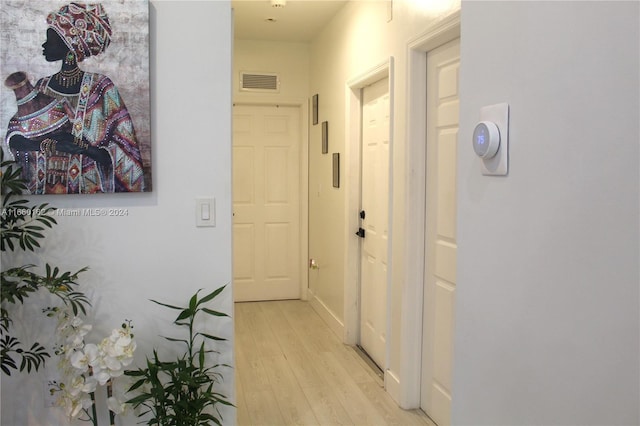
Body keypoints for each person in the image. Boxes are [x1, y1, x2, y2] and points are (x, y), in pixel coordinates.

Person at [5, 2, 145, 193]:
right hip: (47, 192)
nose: (44, 45)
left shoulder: (101, 88)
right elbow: (16, 134)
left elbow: (126, 150)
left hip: (90, 188)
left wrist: (84, 149)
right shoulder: (41, 86)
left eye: (51, 40)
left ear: (69, 45)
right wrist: (47, 145)